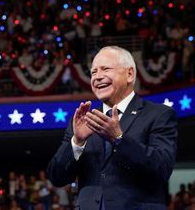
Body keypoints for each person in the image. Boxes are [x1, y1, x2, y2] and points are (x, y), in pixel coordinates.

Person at [47, 46, 177, 209]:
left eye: (105, 69)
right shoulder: (84, 120)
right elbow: (56, 177)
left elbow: (161, 169)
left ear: (129, 74)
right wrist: (77, 142)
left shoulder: (159, 114)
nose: (97, 77)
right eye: (93, 72)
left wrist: (119, 139)